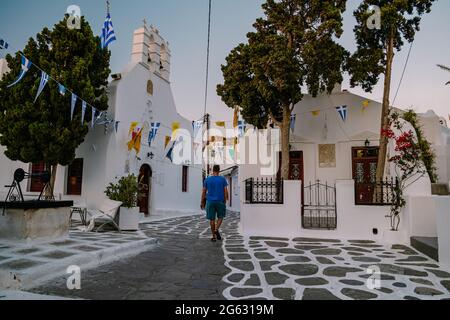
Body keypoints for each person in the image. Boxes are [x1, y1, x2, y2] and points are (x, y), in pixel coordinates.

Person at [201, 165, 229, 242]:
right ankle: (216, 229)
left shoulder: (207, 180)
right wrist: (226, 199)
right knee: (221, 217)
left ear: (213, 170)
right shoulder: (222, 179)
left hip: (210, 202)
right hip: (220, 201)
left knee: (212, 219)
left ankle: (213, 236)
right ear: (219, 170)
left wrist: (202, 202)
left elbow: (204, 191)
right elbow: (225, 190)